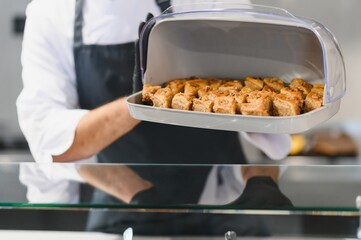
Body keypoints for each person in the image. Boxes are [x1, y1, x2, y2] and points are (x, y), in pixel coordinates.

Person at [17, 0, 291, 236]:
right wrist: (143, 101)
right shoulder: (51, 11)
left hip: (224, 203)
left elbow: (262, 103)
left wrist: (260, 179)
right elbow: (52, 139)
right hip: (119, 206)